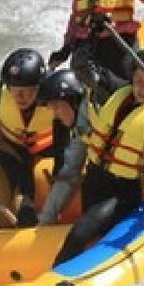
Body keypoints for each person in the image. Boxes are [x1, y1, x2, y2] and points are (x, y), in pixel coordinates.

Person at [53, 48, 144, 265]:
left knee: (80, 233)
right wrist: (86, 41)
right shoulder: (118, 91)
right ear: (133, 77)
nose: (143, 89)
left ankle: (56, 280)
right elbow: (86, 69)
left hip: (122, 193)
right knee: (93, 234)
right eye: (139, 80)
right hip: (93, 180)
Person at [0, 47, 59, 227]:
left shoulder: (55, 96)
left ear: (39, 87)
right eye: (15, 89)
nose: (20, 96)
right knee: (21, 182)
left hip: (49, 146)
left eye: (28, 90)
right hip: (10, 146)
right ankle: (25, 213)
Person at [34, 68, 90, 225]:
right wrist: (46, 220)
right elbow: (69, 173)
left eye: (57, 106)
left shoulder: (101, 118)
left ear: (73, 100)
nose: (56, 114)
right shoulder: (82, 131)